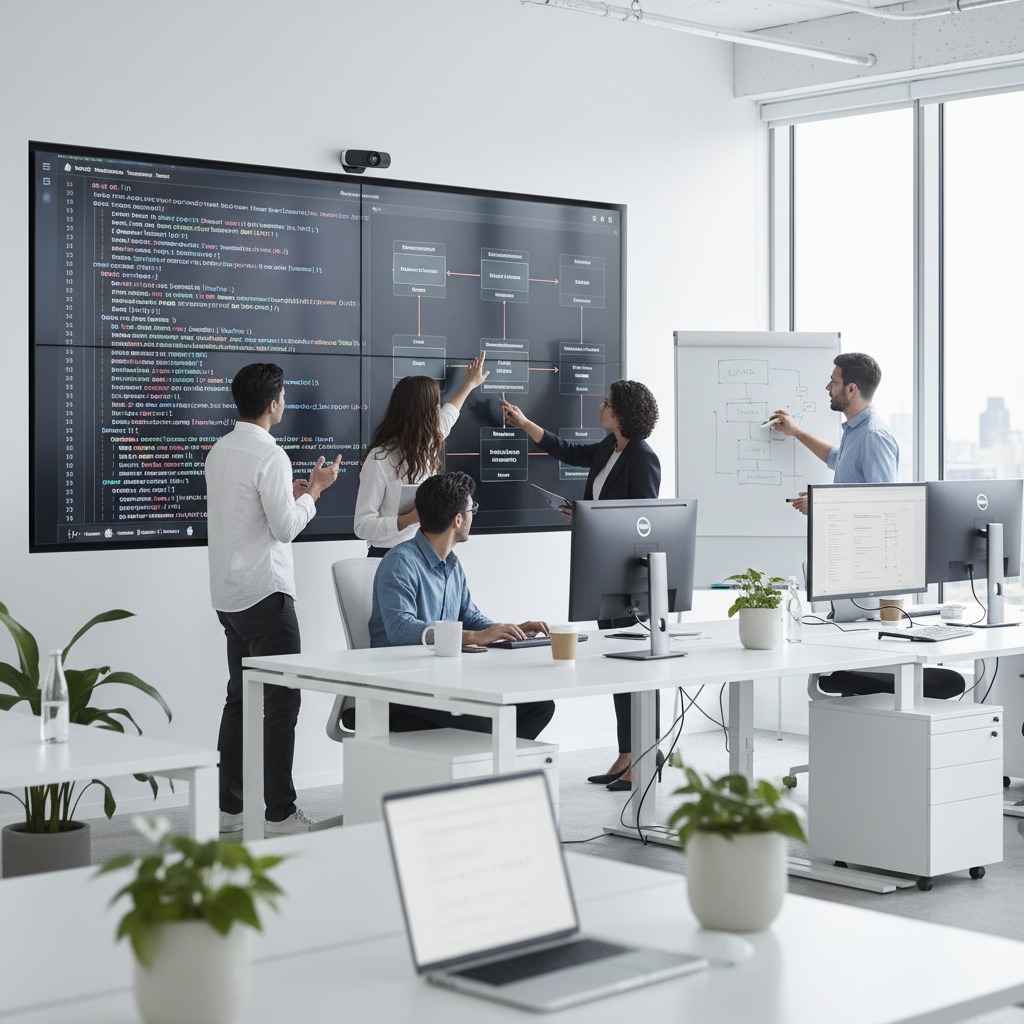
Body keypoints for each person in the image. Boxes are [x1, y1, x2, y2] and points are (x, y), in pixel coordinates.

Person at [501, 380, 661, 791]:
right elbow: (566, 451)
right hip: (604, 570)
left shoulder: (643, 459)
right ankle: (628, 753)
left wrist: (589, 518)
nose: (600, 407)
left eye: (607, 404)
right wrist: (524, 423)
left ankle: (646, 755)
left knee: (636, 666)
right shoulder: (610, 448)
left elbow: (641, 523)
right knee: (618, 664)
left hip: (631, 578)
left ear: (623, 413)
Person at [205, 362, 340, 837]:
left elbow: (247, 513)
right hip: (267, 594)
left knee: (239, 701)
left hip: (229, 596)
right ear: (271, 403)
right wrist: (315, 492)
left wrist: (291, 493)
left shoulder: (220, 450)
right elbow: (284, 528)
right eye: (282, 395)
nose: (284, 402)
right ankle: (280, 814)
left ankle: (229, 809)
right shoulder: (271, 454)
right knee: (281, 704)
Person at [368, 470, 555, 739]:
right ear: (458, 519)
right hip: (403, 687)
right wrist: (475, 637)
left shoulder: (452, 565)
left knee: (539, 707)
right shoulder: (400, 562)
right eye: (471, 509)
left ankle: (492, 776)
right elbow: (400, 629)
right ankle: (486, 774)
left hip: (443, 681)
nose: (472, 515)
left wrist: (508, 630)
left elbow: (469, 617)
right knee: (488, 722)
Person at [354, 354, 489, 556]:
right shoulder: (379, 459)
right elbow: (362, 526)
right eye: (435, 405)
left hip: (423, 552)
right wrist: (409, 518)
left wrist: (468, 385)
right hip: (387, 556)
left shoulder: (428, 443)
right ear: (422, 414)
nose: (438, 410)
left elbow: (449, 415)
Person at [770, 351, 899, 513]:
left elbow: (884, 503)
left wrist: (822, 503)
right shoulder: (856, 430)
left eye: (834, 382)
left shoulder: (873, 436)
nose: (828, 387)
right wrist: (796, 431)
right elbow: (836, 459)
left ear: (851, 389)